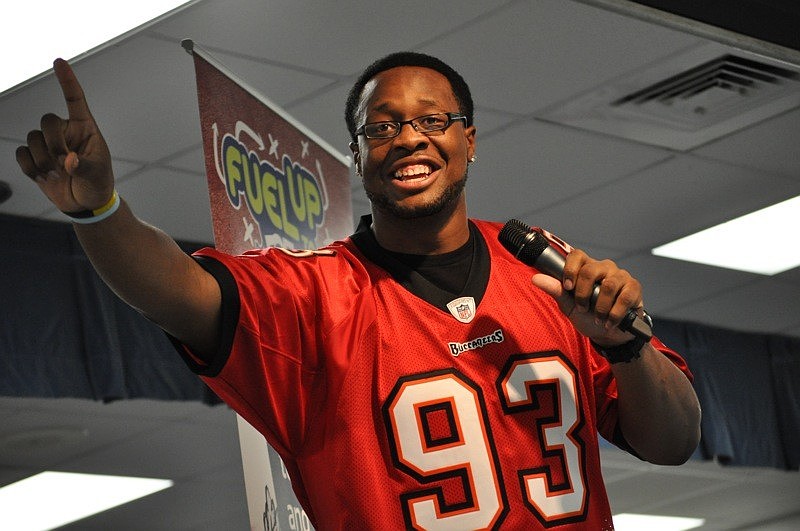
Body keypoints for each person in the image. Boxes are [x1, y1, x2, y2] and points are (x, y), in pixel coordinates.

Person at [17, 51, 701, 530]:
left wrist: (626, 347)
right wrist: (99, 210)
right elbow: (176, 292)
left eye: (432, 121)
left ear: (469, 141)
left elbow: (674, 440)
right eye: (381, 127)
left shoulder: (547, 272)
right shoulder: (313, 296)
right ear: (357, 152)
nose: (408, 139)